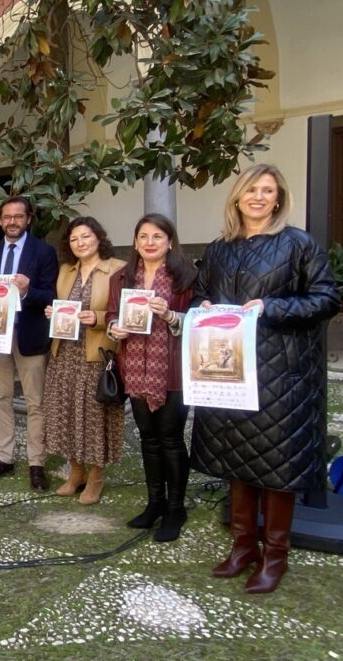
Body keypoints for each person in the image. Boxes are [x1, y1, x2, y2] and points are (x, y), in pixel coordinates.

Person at [189, 164, 339, 592]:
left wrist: (271, 308)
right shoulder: (220, 249)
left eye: (268, 190)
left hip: (283, 373)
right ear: (237, 197)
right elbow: (204, 291)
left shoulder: (298, 244)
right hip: (228, 369)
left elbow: (327, 297)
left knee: (277, 464)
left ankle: (275, 555)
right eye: (251, 189)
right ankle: (242, 547)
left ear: (278, 198)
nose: (258, 196)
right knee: (237, 458)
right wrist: (202, 307)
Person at [106, 213, 197, 537]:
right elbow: (112, 314)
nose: (149, 242)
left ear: (169, 241)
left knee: (170, 438)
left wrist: (171, 315)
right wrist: (114, 328)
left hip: (173, 369)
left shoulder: (187, 277)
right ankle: (154, 502)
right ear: (135, 242)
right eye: (143, 236)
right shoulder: (122, 278)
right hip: (134, 367)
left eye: (157, 236)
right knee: (148, 438)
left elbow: (200, 319)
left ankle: (176, 508)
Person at [39, 217, 126, 505]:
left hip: (96, 356)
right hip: (64, 353)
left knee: (94, 418)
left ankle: (96, 476)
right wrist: (53, 313)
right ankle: (76, 472)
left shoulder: (117, 269)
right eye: (74, 239)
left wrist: (98, 319)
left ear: (98, 238)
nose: (80, 243)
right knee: (66, 415)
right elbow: (62, 304)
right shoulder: (66, 271)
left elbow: (125, 313)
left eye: (86, 236)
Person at [0, 196, 59, 490]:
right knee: (0, 398)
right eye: (7, 217)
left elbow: (51, 296)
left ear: (28, 219)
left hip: (30, 335)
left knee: (36, 402)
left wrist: (26, 291)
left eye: (18, 216)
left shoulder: (44, 252)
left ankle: (37, 462)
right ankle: (4, 458)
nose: (12, 221)